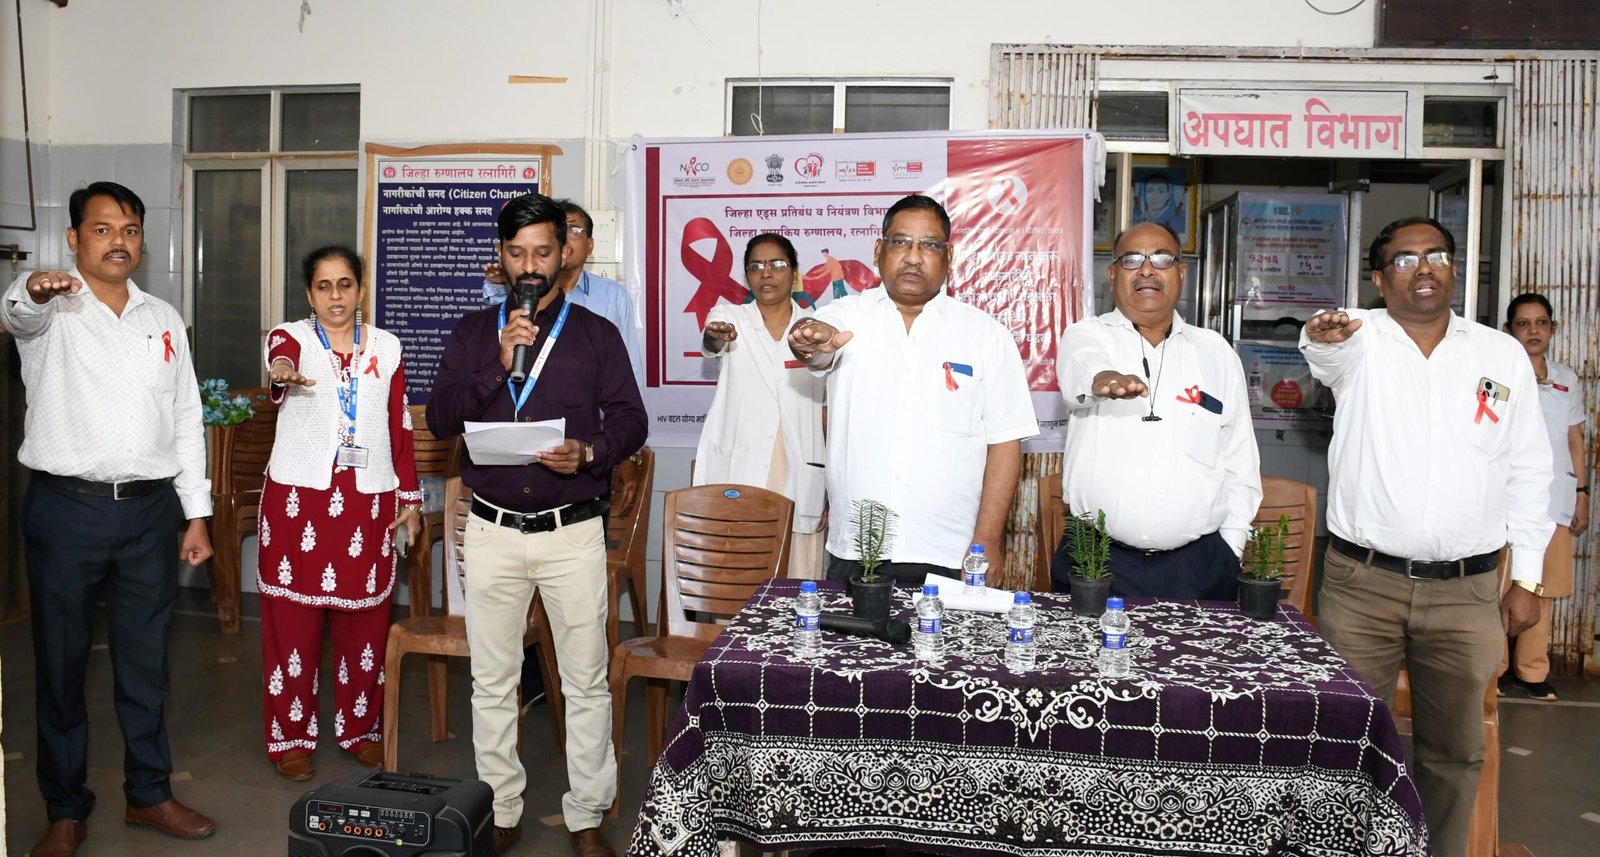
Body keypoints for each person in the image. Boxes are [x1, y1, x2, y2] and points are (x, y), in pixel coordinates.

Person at [1300, 216, 1552, 856]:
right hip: (1363, 586)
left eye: (1436, 255)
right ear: (1380, 279)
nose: (1424, 268)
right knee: (1344, 745)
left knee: (1454, 752)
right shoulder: (1360, 339)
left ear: (1454, 269)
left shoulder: (1499, 355)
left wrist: (1527, 577)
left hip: (1468, 592)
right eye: (1405, 259)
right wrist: (1321, 336)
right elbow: (1325, 353)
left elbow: (1530, 469)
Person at [1, 181, 217, 856]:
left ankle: (148, 792)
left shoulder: (163, 318)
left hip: (150, 514)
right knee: (61, 667)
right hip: (67, 512)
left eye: (129, 229)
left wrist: (196, 514)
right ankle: (65, 810)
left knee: (146, 665)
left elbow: (185, 417)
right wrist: (31, 289)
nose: (118, 241)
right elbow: (17, 314)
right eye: (102, 229)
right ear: (74, 238)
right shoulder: (54, 309)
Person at [428, 192, 645, 857]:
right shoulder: (473, 334)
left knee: (585, 680)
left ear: (564, 253)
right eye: (517, 252)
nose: (530, 265)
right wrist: (496, 365)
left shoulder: (595, 334)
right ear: (501, 256)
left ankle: (587, 814)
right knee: (492, 680)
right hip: (491, 530)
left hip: (571, 530)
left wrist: (591, 451)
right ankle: (499, 809)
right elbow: (441, 419)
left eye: (543, 251)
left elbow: (631, 420)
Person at [788, 194, 1037, 582]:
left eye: (930, 245)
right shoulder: (846, 315)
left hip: (950, 549)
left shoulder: (986, 335)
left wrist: (988, 537)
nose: (914, 257)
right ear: (879, 251)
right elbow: (817, 345)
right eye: (901, 242)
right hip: (857, 548)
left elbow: (1005, 442)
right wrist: (808, 340)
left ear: (948, 257)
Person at [256, 246, 422, 781]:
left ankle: (361, 730)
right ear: (309, 294)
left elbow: (399, 426)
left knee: (365, 625)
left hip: (367, 501)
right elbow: (279, 359)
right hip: (298, 502)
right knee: (292, 625)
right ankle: (291, 738)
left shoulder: (387, 347)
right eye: (323, 286)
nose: (335, 296)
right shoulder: (292, 338)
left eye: (345, 284)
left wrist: (411, 500)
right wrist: (283, 371)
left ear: (361, 290)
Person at [1053, 222, 1261, 599]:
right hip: (1095, 559)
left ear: (1181, 273)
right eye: (1132, 260)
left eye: (1161, 259)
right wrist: (1102, 378)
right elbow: (1084, 365)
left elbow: (1240, 460)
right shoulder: (1087, 335)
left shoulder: (1216, 352)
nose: (1147, 270)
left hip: (1199, 566)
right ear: (1113, 275)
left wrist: (1230, 548)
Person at [696, 233, 826, 578]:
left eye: (777, 264)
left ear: (794, 273)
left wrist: (831, 489)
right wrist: (716, 335)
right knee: (737, 575)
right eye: (756, 266)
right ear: (747, 277)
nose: (766, 273)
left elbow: (828, 409)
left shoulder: (816, 327)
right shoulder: (730, 316)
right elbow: (712, 340)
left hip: (798, 463)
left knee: (796, 580)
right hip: (742, 464)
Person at [1499, 292, 1587, 701]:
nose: (1533, 331)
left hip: (1554, 499)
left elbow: (1574, 440)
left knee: (1543, 587)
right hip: (1505, 499)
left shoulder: (1567, 379)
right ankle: (1494, 670)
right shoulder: (1498, 376)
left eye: (1541, 323)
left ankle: (1531, 672)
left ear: (1553, 328)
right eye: (1523, 323)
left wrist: (1582, 493)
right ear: (1509, 330)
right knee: (1498, 586)